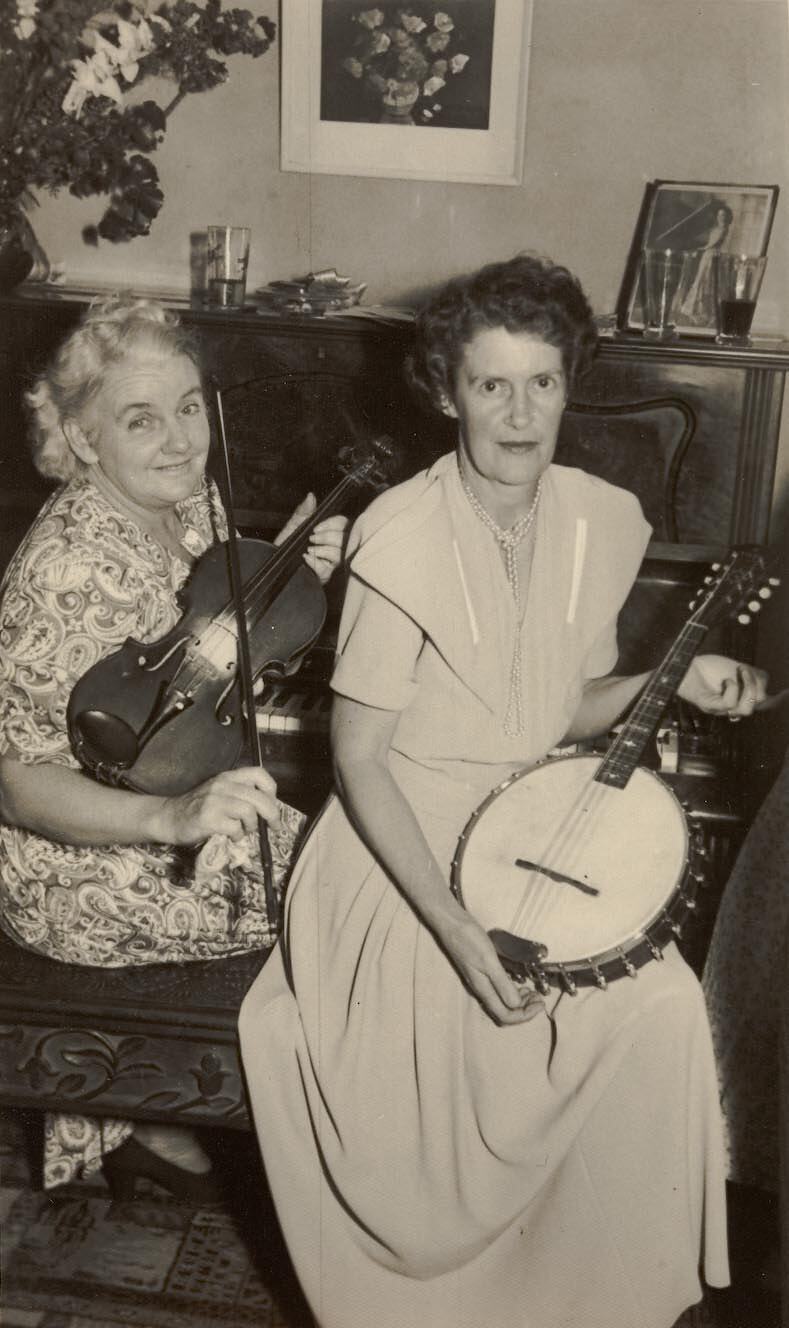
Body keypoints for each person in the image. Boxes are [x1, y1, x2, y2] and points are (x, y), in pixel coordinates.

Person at [238, 253, 771, 1328]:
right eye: (491, 384)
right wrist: (455, 929)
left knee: (663, 1006)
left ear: (572, 386)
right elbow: (360, 759)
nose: (520, 414)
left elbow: (560, 709)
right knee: (465, 1028)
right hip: (400, 848)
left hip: (527, 826)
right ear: (448, 394)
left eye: (542, 382)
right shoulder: (400, 533)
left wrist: (663, 686)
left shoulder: (600, 518)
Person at [0, 294, 347, 1198]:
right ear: (81, 439)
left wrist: (290, 568)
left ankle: (169, 1118)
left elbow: (209, 643)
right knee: (348, 908)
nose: (179, 439)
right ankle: (302, 1141)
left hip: (179, 795)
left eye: (189, 406)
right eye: (140, 419)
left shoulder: (190, 502)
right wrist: (170, 817)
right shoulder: (68, 567)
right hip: (78, 866)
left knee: (355, 867)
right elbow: (17, 785)